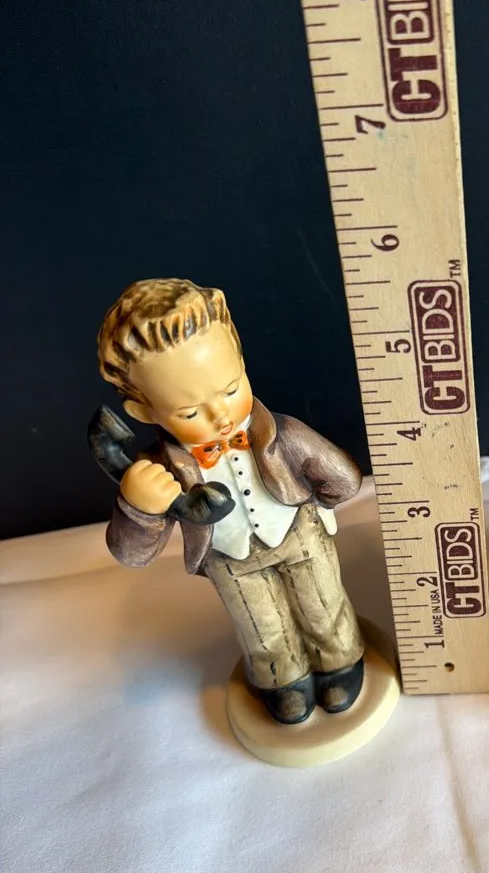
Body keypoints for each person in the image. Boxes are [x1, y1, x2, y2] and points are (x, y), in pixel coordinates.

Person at [97, 277, 365, 725]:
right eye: (189, 412)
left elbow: (345, 479)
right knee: (261, 625)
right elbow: (132, 555)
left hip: (298, 533)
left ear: (240, 360)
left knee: (323, 603)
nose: (220, 415)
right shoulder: (158, 472)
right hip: (230, 558)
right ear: (144, 412)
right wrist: (138, 506)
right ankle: (284, 679)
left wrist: (320, 508)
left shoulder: (283, 433)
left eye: (230, 388)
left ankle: (339, 661)